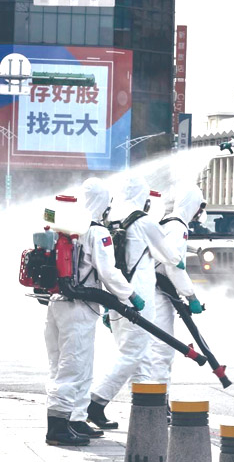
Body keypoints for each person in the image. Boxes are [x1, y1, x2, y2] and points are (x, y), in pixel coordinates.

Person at [44, 178, 144, 446]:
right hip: (79, 308)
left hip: (56, 303)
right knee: (74, 367)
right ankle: (57, 428)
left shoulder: (62, 225)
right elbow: (108, 272)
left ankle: (75, 418)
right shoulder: (97, 231)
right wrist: (130, 295)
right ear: (104, 202)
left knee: (63, 365)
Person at [87, 176, 184, 430]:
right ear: (143, 196)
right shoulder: (143, 221)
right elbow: (169, 254)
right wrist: (180, 262)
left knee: (139, 356)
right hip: (139, 297)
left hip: (117, 296)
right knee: (133, 353)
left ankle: (147, 410)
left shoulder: (111, 220)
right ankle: (96, 402)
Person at [147, 185, 205, 389]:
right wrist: (191, 297)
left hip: (152, 291)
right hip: (159, 295)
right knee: (162, 351)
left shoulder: (166, 222)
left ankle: (151, 400)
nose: (200, 213)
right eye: (200, 207)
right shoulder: (178, 228)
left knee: (150, 351)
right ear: (194, 206)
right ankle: (159, 403)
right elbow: (173, 267)